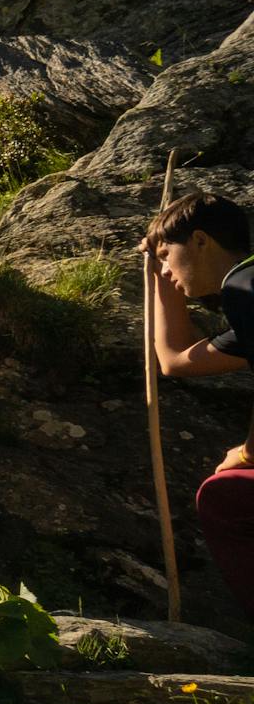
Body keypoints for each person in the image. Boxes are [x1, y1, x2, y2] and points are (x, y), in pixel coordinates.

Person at [145, 191, 254, 617]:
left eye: (167, 256)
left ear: (201, 240)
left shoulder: (244, 290)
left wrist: (248, 452)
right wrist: (156, 274)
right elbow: (175, 360)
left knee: (224, 497)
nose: (166, 269)